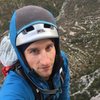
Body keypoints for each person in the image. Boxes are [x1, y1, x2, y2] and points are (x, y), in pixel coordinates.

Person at [0, 5, 70, 100]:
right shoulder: (15, 89)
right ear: (21, 55)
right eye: (34, 51)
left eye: (49, 47)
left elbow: (64, 96)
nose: (46, 62)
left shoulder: (61, 61)